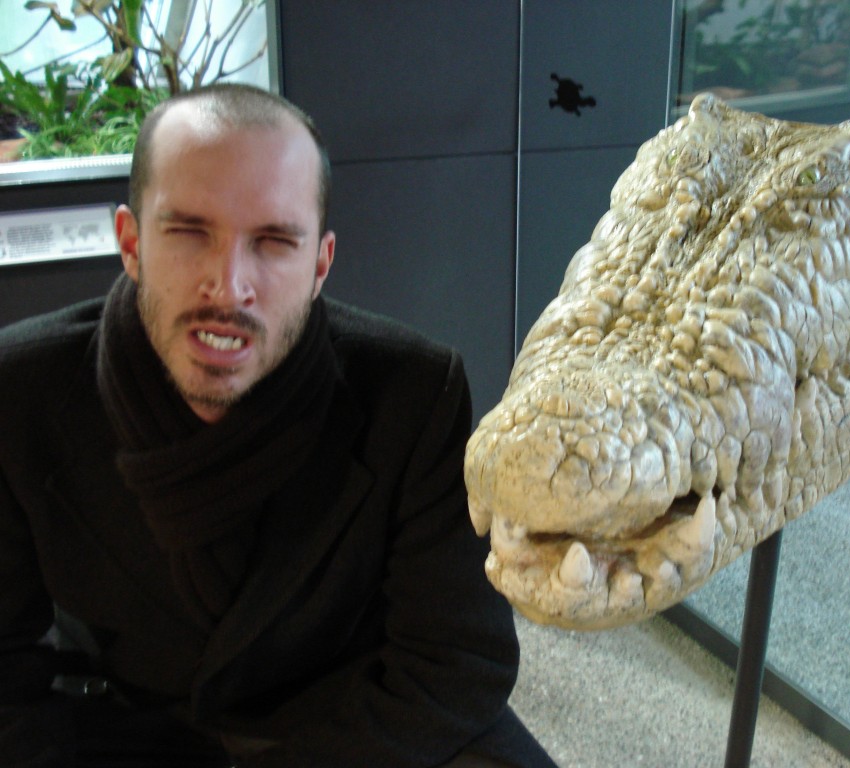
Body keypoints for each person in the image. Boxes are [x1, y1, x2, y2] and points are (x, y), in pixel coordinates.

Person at [0, 84, 555, 767]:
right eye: (189, 233)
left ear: (319, 265)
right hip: (123, 727)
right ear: (131, 243)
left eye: (273, 242)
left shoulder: (412, 391)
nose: (229, 285)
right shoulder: (21, 390)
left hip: (349, 722)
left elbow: (459, 660)